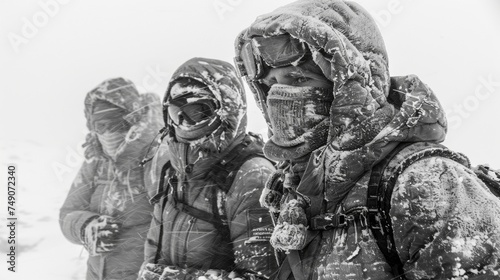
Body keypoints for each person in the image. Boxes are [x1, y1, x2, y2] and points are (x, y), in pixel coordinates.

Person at [234, 0, 500, 279]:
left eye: (298, 80)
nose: (279, 95)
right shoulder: (296, 187)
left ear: (349, 85)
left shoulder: (427, 182)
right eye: (270, 85)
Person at [138, 57, 278, 280]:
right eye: (176, 112)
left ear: (226, 111)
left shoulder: (251, 176)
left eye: (197, 112)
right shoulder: (173, 171)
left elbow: (262, 276)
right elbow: (152, 258)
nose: (183, 123)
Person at [59, 77, 163, 280]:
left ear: (132, 119)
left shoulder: (157, 155)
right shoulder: (96, 162)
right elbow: (67, 213)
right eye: (100, 126)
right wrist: (85, 226)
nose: (108, 133)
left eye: (116, 123)